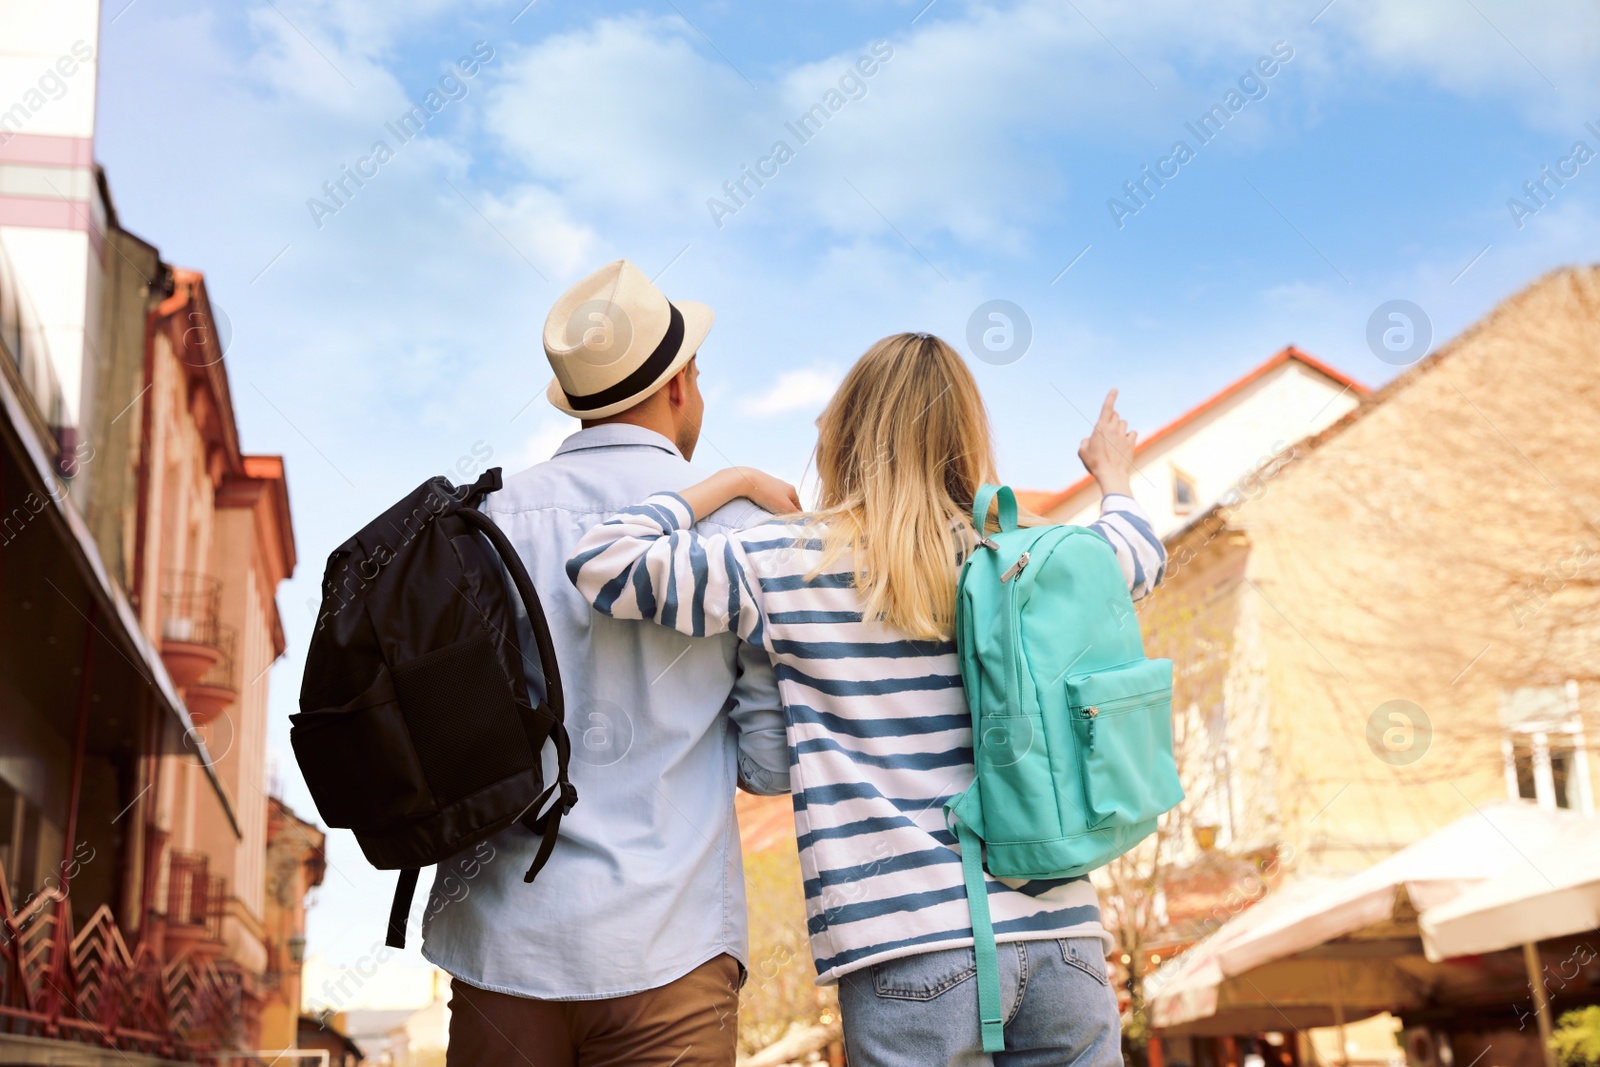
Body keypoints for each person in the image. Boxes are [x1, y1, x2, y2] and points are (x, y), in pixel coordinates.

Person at [567, 332, 1167, 1066]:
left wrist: (731, 483)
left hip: (903, 950)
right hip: (1060, 937)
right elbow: (1136, 549)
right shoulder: (1025, 559)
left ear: (848, 434)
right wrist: (1114, 475)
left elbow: (603, 561)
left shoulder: (786, 561)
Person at [425, 259, 791, 1067]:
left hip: (502, 948)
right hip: (672, 946)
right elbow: (768, 766)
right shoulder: (738, 527)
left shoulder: (484, 516)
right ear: (680, 383)